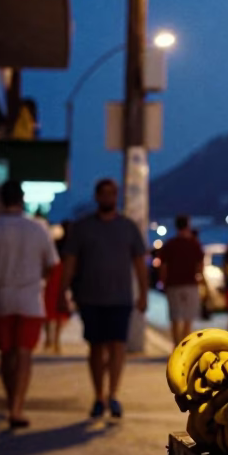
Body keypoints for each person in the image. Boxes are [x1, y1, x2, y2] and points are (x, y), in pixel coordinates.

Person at [0, 180, 59, 428]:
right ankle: (16, 408)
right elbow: (52, 265)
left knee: (6, 353)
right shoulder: (38, 228)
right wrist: (39, 281)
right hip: (31, 299)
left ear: (2, 200)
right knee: (23, 354)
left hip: (1, 297)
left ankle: (11, 400)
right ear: (22, 200)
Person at [58, 178, 148, 419]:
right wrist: (62, 291)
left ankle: (113, 394)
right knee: (96, 348)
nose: (109, 197)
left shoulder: (128, 227)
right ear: (97, 197)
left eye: (112, 193)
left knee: (118, 346)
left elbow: (140, 262)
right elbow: (70, 262)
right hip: (91, 298)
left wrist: (143, 293)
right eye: (104, 193)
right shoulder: (82, 227)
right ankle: (99, 395)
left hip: (121, 298)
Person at [160, 214, 205, 345]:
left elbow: (163, 266)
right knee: (187, 318)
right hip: (190, 284)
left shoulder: (170, 244)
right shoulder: (194, 244)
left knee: (175, 318)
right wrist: (199, 278)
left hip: (173, 285)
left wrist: (163, 282)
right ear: (188, 225)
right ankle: (184, 347)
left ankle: (176, 345)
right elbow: (200, 265)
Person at [42, 221, 71, 353]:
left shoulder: (54, 243)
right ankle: (56, 341)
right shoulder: (70, 247)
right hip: (61, 278)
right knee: (59, 313)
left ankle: (49, 340)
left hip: (53, 278)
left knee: (49, 310)